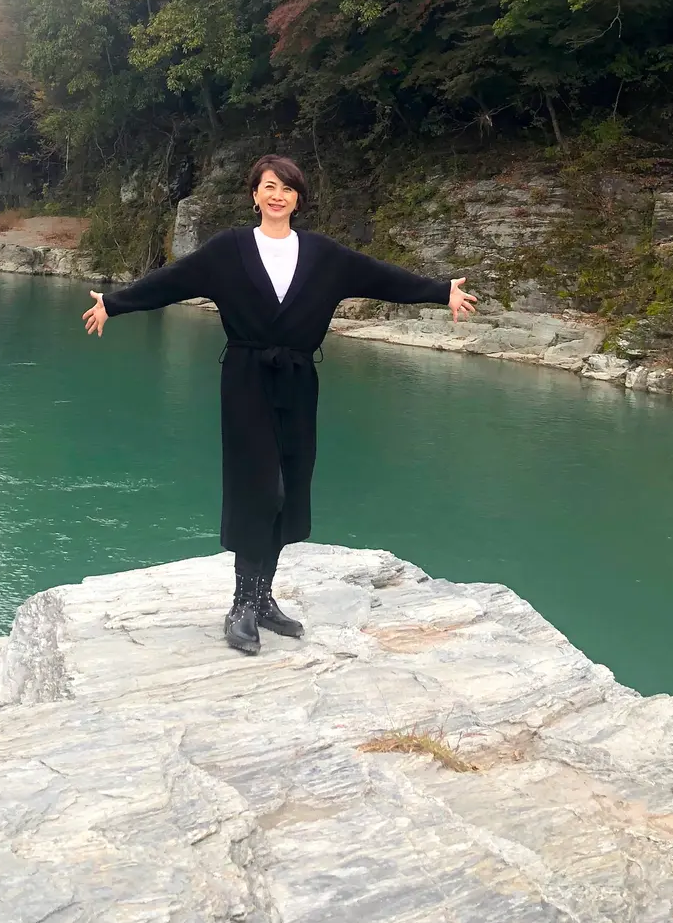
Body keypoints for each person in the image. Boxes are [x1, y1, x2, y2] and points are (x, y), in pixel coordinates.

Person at [82, 154, 477, 655]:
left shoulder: (323, 255)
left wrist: (441, 291)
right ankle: (242, 604)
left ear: (297, 198)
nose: (277, 196)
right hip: (245, 379)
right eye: (269, 186)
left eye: (287, 189)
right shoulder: (228, 250)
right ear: (255, 194)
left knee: (288, 489)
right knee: (258, 487)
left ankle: (264, 598)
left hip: (297, 380)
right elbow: (171, 281)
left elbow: (383, 278)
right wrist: (113, 304)